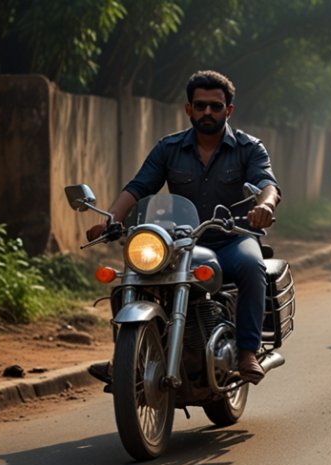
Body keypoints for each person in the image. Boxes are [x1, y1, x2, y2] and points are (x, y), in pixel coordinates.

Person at [86, 70, 280, 385]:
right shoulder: (169, 148)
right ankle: (125, 358)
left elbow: (268, 184)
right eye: (200, 105)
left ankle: (247, 351)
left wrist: (265, 206)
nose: (207, 112)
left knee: (251, 265)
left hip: (232, 238)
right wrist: (111, 218)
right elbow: (138, 187)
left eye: (215, 107)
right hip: (181, 242)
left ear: (228, 111)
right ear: (188, 108)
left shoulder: (249, 147)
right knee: (133, 272)